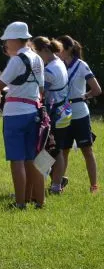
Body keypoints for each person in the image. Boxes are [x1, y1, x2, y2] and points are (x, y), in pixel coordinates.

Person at [0, 22, 45, 209]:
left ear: (15, 39)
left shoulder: (16, 60)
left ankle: (20, 203)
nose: (6, 44)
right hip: (33, 111)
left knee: (17, 160)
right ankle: (40, 201)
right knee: (33, 159)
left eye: (7, 40)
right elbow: (41, 88)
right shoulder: (37, 58)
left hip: (15, 113)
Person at [56, 35, 100, 192]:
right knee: (64, 150)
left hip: (80, 113)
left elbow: (97, 89)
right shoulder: (58, 65)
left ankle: (94, 186)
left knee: (87, 150)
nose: (56, 52)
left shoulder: (81, 65)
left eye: (59, 48)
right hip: (64, 112)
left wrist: (85, 96)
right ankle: (59, 183)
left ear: (68, 49)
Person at [32, 36, 69, 194]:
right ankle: (56, 184)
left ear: (44, 51)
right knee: (57, 149)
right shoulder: (59, 62)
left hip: (54, 114)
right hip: (64, 112)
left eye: (37, 53)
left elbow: (38, 90)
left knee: (48, 149)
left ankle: (41, 186)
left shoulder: (49, 70)